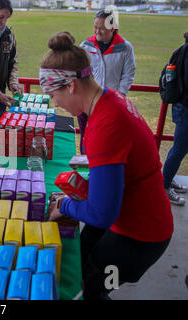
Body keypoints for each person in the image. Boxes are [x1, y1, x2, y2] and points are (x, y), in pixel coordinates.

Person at [41, 32, 173, 300]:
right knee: (81, 262)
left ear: (71, 86)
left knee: (88, 290)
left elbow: (102, 214)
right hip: (134, 213)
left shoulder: (107, 125)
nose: (55, 103)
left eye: (53, 94)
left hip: (141, 233)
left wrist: (64, 206)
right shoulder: (108, 100)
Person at [78, 9, 136, 152]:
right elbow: (78, 71)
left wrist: (118, 96)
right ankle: (86, 169)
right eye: (95, 27)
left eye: (102, 28)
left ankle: (101, 171)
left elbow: (128, 74)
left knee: (106, 140)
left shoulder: (125, 48)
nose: (97, 31)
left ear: (113, 28)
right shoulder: (85, 46)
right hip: (87, 103)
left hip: (111, 104)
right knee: (86, 138)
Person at [162, 31, 188, 206]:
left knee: (179, 150)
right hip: (186, 108)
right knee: (179, 150)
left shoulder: (182, 49)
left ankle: (167, 179)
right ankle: (164, 186)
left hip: (182, 106)